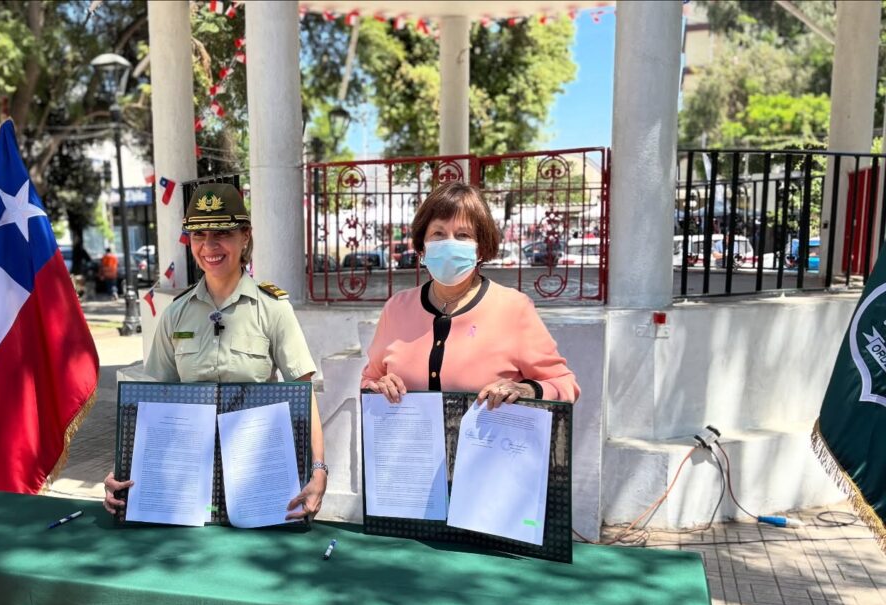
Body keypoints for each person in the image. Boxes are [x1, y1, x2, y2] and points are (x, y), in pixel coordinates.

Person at [104, 183, 327, 521]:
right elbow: (151, 403)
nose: (209, 246)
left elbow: (304, 391)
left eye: (222, 232)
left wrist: (319, 470)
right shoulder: (175, 313)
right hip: (186, 479)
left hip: (257, 473)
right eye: (199, 235)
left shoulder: (272, 309)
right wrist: (122, 467)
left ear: (245, 236)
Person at [362, 182, 579, 408]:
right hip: (410, 443)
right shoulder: (397, 308)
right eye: (438, 233)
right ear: (422, 248)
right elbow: (369, 380)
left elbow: (564, 384)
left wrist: (525, 389)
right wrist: (378, 387)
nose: (449, 243)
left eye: (463, 234)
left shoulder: (513, 309)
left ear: (480, 249)